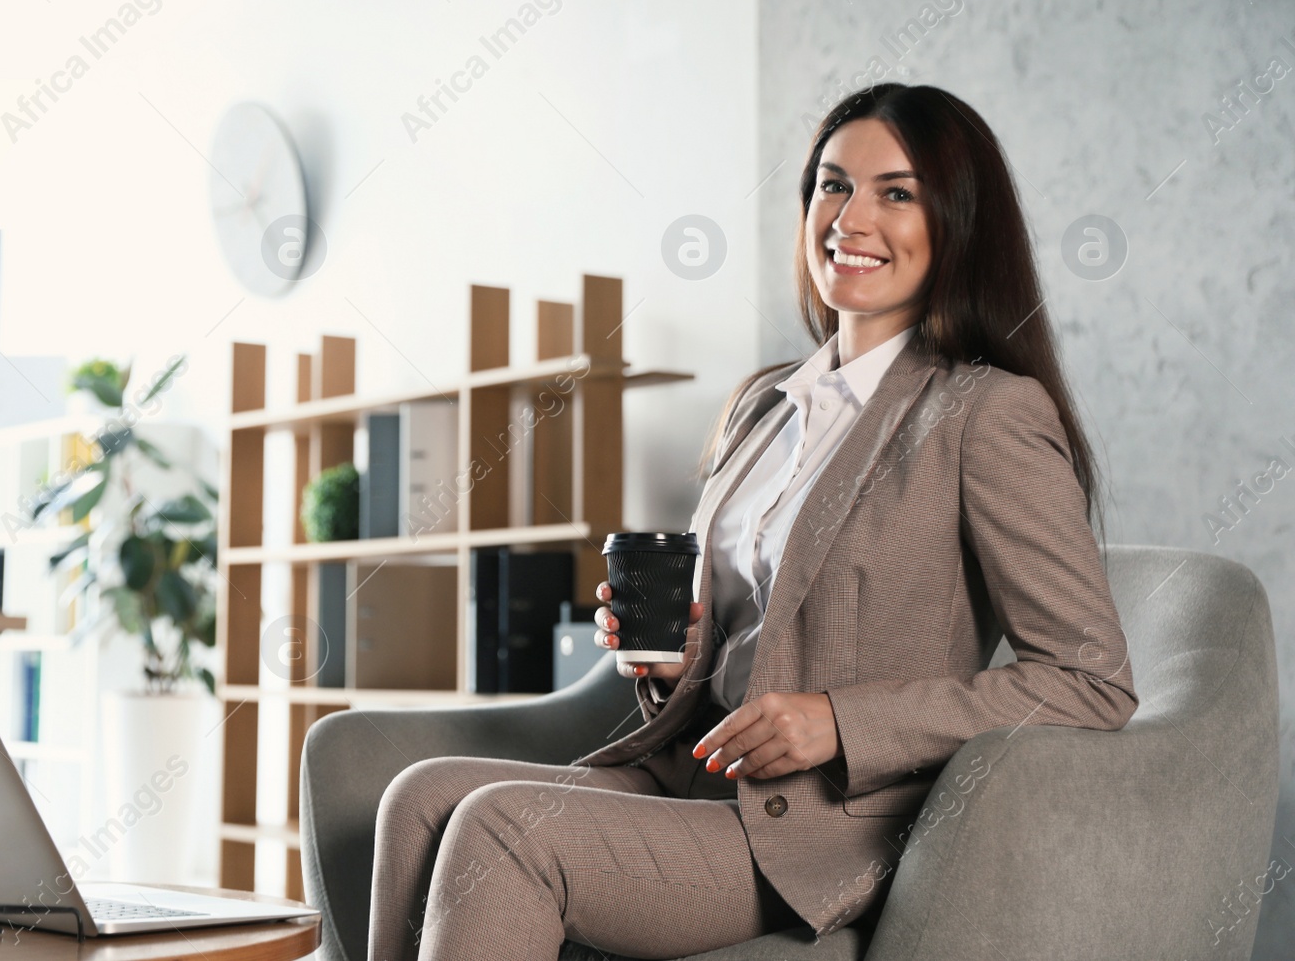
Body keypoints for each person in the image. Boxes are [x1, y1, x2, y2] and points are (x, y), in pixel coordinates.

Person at [366, 83, 1139, 961]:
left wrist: (839, 722)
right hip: (692, 774)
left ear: (958, 223)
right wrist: (671, 659)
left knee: (505, 830)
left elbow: (1091, 680)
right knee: (419, 796)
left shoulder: (984, 414)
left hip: (819, 828)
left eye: (896, 191)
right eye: (831, 184)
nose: (850, 216)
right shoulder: (763, 406)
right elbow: (749, 642)